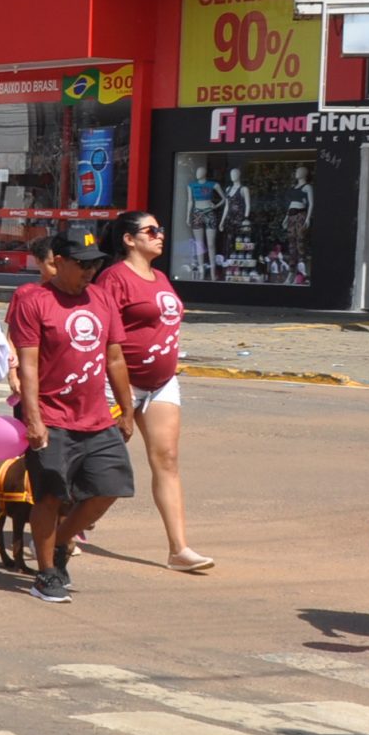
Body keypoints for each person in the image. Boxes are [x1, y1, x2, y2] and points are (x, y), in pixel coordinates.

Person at [10, 231, 136, 604]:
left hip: (96, 416)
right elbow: (28, 365)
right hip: (52, 415)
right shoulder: (33, 300)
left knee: (111, 487)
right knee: (49, 496)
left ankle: (60, 541)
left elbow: (115, 357)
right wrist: (34, 419)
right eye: (82, 264)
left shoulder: (102, 298)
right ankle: (46, 574)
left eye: (95, 264)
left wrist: (127, 409)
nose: (90, 271)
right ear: (59, 262)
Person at [94, 209, 211, 572]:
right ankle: (63, 524)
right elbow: (101, 332)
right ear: (129, 239)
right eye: (151, 230)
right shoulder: (113, 278)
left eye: (160, 229)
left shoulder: (160, 277)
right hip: (118, 384)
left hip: (161, 383)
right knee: (96, 459)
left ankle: (179, 549)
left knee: (167, 460)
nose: (160, 235)